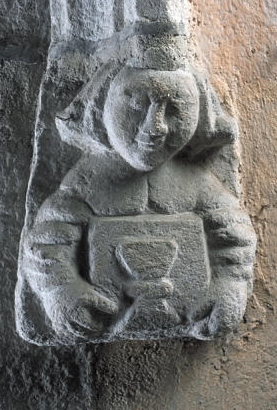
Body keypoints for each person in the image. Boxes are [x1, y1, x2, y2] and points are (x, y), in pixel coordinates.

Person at [17, 53, 256, 344]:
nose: (155, 127)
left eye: (175, 109)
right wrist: (61, 290)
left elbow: (234, 235)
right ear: (101, 104)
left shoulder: (196, 183)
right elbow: (48, 240)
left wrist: (230, 286)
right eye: (135, 104)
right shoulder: (89, 181)